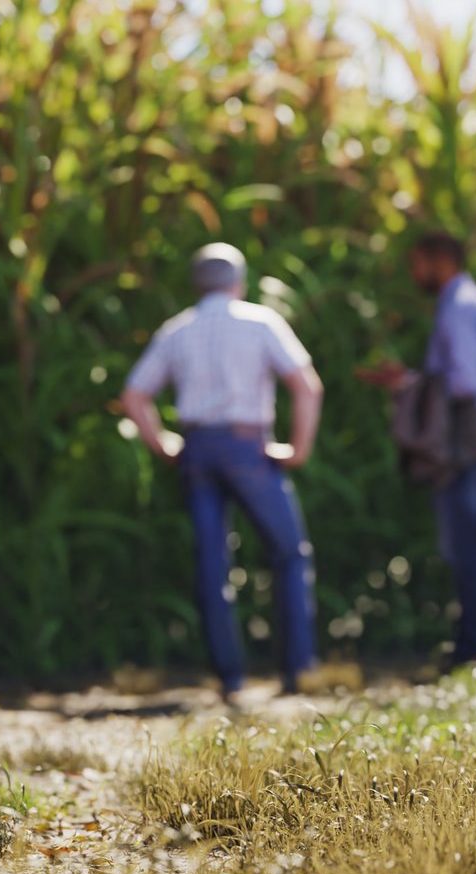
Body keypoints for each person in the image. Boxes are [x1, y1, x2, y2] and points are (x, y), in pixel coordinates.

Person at [120, 243, 325, 702]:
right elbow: (306, 385)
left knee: (212, 563)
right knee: (289, 554)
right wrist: (298, 448)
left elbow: (135, 397)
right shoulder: (259, 322)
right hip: (248, 445)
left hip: (197, 449)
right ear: (239, 281)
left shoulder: (178, 330)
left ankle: (230, 678)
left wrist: (165, 444)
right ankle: (297, 669)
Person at [358, 232, 476, 668]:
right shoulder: (470, 300)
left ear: (439, 261)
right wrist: (409, 380)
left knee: (465, 541)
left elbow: (464, 383)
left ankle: (473, 645)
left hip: (463, 432)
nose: (414, 274)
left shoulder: (458, 308)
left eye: (416, 264)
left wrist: (414, 385)